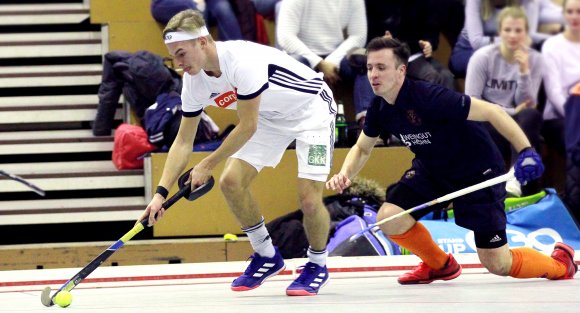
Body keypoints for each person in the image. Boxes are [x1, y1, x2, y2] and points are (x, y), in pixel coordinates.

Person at [326, 37, 577, 285]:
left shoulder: (431, 97)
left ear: (401, 70)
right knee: (390, 217)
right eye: (370, 68)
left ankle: (560, 265)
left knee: (498, 263)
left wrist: (525, 151)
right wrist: (345, 173)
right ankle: (440, 266)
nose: (373, 75)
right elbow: (361, 148)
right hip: (433, 169)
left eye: (381, 67)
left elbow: (493, 111)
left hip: (478, 172)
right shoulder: (379, 109)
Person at [138, 9, 336, 296]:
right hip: (269, 117)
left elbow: (247, 126)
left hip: (311, 112)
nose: (178, 63)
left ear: (203, 41)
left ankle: (317, 264)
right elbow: (182, 141)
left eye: (181, 53)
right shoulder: (194, 82)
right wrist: (159, 194)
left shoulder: (242, 63)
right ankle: (267, 255)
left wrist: (207, 163)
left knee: (308, 198)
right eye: (174, 55)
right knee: (231, 182)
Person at [465, 6, 545, 196]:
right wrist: (508, 112)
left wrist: (524, 71)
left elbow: (529, 104)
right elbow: (472, 102)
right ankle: (503, 185)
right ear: (500, 32)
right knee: (500, 124)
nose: (512, 35)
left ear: (526, 33)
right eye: (507, 30)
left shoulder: (535, 59)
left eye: (518, 30)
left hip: (519, 121)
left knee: (531, 116)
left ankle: (516, 177)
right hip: (488, 119)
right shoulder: (482, 57)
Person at [276, 0, 370, 123]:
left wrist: (331, 61)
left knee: (366, 62)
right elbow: (285, 37)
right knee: (292, 65)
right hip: (302, 55)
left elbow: (359, 36)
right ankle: (292, 128)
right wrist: (319, 63)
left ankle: (367, 124)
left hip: (336, 55)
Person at [449, 0, 563, 78]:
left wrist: (559, 40)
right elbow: (477, 42)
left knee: (540, 61)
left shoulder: (523, 2)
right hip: (469, 51)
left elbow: (557, 14)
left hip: (508, 49)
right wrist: (514, 39)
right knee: (507, 64)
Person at [541, 0, 580, 158]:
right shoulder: (551, 46)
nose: (574, 17)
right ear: (563, 15)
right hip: (559, 117)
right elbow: (553, 92)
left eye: (579, 11)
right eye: (569, 12)